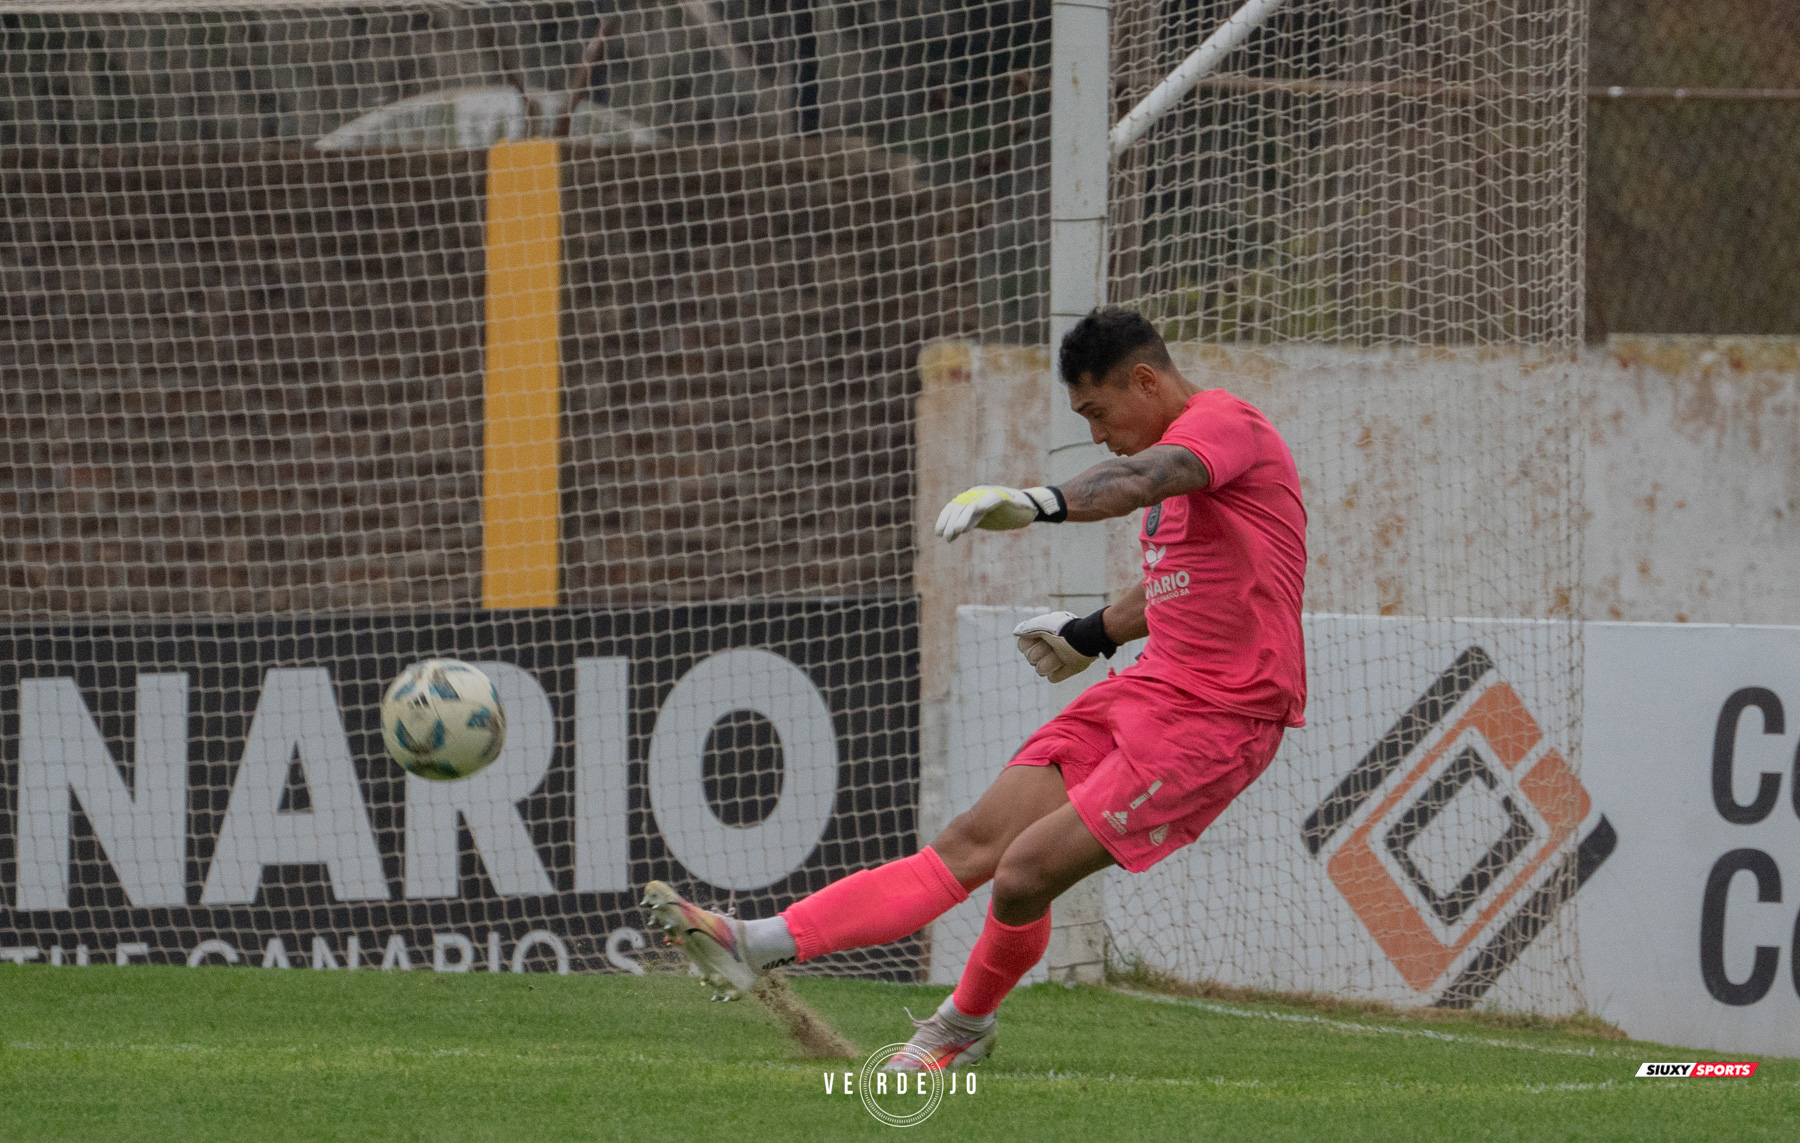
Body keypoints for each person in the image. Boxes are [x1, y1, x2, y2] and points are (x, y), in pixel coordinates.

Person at [642, 307, 1307, 1070]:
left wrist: (1038, 501)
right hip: (1151, 690)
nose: (1097, 432)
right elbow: (1181, 584)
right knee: (971, 841)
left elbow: (1136, 477)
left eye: (1097, 411)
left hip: (1222, 719)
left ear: (1146, 380)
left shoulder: (1227, 427)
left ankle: (962, 1026)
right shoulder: (1187, 478)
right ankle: (754, 942)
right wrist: (1092, 631)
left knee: (1024, 871)